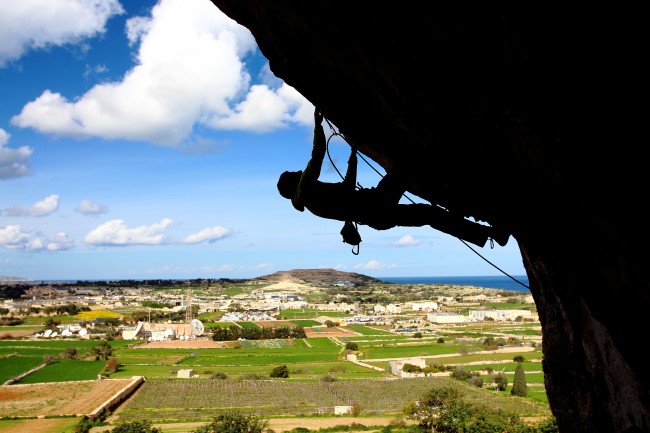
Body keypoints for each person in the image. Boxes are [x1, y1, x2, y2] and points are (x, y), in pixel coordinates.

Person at [277, 108, 509, 248]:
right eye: (293, 174)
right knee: (409, 166)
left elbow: (347, 187)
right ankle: (458, 202)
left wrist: (353, 155)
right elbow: (317, 156)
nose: (298, 172)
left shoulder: (312, 202)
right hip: (376, 204)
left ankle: (487, 233)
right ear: (293, 183)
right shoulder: (306, 188)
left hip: (376, 215)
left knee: (428, 214)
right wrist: (318, 126)